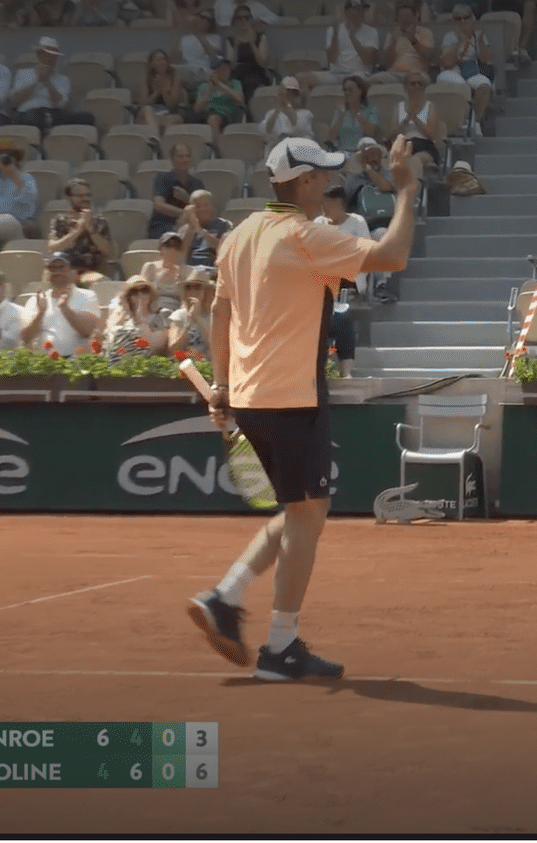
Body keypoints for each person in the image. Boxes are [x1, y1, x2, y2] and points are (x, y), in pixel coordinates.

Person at [185, 136, 418, 680]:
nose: (331, 185)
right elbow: (394, 255)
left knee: (300, 511)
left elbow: (220, 315)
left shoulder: (238, 237)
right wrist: (407, 188)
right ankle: (279, 646)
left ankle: (227, 598)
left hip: (250, 398)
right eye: (324, 176)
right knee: (308, 516)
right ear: (305, 182)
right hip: (291, 397)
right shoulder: (306, 236)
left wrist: (221, 383)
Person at [314, 185, 369, 377]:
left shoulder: (357, 223)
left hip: (349, 282)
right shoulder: (318, 223)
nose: (325, 209)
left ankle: (346, 372)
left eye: (329, 205)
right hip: (321, 284)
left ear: (340, 205)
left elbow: (365, 254)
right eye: (323, 205)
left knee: (342, 318)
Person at [20, 251, 101, 356]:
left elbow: (87, 331)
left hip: (76, 362)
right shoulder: (36, 300)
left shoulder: (88, 296)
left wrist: (65, 308)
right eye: (52, 268)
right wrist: (40, 314)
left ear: (73, 272)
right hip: (44, 362)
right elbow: (25, 338)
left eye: (62, 267)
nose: (57, 272)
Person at [10, 37, 95, 131]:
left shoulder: (63, 79)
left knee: (87, 117)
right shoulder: (23, 73)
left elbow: (60, 104)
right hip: (28, 112)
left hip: (53, 113)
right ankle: (49, 124)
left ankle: (48, 123)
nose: (52, 59)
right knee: (33, 117)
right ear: (39, 55)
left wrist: (47, 82)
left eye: (54, 56)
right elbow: (15, 101)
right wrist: (37, 81)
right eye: (48, 56)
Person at [298, 0, 377, 95]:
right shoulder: (333, 30)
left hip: (358, 74)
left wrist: (352, 37)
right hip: (335, 74)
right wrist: (335, 35)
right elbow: (331, 59)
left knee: (351, 84)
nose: (361, 12)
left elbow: (368, 60)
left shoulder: (371, 31)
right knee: (301, 77)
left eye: (363, 9)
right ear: (346, 12)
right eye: (357, 9)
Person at [436, 5, 493, 136]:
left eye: (465, 18)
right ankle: (463, 122)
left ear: (472, 18)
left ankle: (476, 122)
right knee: (458, 85)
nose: (462, 22)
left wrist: (479, 41)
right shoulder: (449, 36)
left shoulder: (479, 35)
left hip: (472, 71)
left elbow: (486, 59)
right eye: (458, 19)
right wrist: (460, 42)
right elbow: (447, 63)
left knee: (484, 84)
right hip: (453, 71)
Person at [47, 177, 114, 284]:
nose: (85, 198)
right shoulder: (60, 220)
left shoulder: (100, 222)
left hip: (89, 271)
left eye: (87, 195)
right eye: (80, 196)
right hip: (63, 270)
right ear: (69, 198)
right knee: (47, 275)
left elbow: (107, 251)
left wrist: (90, 229)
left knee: (100, 281)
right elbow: (53, 248)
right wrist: (77, 231)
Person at [146, 142, 204, 239]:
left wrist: (187, 199)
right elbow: (158, 205)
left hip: (189, 227)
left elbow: (203, 210)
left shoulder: (197, 183)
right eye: (180, 156)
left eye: (187, 156)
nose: (185, 159)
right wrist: (185, 213)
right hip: (162, 227)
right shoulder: (163, 179)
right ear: (172, 159)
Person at [390, 71, 441, 177]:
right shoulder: (398, 107)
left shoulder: (430, 106)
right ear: (406, 87)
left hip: (424, 146)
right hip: (403, 144)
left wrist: (416, 119)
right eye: (413, 84)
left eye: (420, 84)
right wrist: (406, 120)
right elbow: (392, 134)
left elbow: (431, 135)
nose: (417, 86)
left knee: (414, 160)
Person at [103, 275, 168, 358]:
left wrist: (139, 317)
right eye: (134, 292)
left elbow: (157, 347)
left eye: (144, 290)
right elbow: (109, 341)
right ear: (128, 296)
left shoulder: (162, 315)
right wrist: (124, 313)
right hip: (118, 361)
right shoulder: (119, 316)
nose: (140, 294)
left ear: (151, 294)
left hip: (146, 362)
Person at [189, 56, 245, 144]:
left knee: (213, 119)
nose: (225, 72)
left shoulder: (234, 83)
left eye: (226, 68)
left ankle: (218, 149)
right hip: (205, 114)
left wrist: (220, 84)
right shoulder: (204, 87)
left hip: (224, 115)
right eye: (221, 69)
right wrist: (210, 89)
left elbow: (240, 99)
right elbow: (197, 109)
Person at [141, 229, 196, 314]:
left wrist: (181, 285)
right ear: (160, 250)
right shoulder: (150, 267)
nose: (172, 250)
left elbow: (190, 301)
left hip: (177, 311)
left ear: (181, 252)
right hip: (152, 309)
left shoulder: (188, 271)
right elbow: (140, 294)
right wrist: (157, 284)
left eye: (176, 247)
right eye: (168, 246)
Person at [224, 2, 271, 99]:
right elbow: (231, 66)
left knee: (251, 84)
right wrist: (236, 47)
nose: (243, 21)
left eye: (247, 17)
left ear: (251, 20)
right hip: (237, 72)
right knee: (234, 85)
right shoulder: (230, 40)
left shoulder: (260, 37)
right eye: (239, 18)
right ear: (235, 21)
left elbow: (263, 62)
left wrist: (252, 44)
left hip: (256, 71)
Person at [166, 266, 212, 358]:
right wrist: (189, 321)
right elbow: (173, 349)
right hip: (183, 364)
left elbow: (217, 346)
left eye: (197, 287)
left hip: (207, 365)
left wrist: (198, 318)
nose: (192, 291)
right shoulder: (178, 315)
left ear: (206, 292)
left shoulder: (214, 315)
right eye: (188, 287)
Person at [176, 189, 231, 268]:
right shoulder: (185, 228)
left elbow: (225, 249)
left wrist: (200, 231)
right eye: (197, 206)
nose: (202, 209)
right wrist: (191, 226)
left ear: (213, 207)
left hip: (213, 268)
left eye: (206, 205)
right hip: (189, 269)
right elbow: (181, 255)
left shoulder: (224, 224)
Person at [138, 48, 187, 134]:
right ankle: (155, 137)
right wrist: (156, 92)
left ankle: (160, 140)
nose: (163, 62)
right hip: (152, 114)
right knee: (147, 109)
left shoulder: (175, 76)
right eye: (159, 60)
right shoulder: (146, 78)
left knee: (169, 120)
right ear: (152, 64)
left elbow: (172, 104)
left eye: (164, 59)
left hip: (170, 113)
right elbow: (143, 103)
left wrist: (163, 89)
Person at [257, 75, 313, 149]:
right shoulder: (272, 113)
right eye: (282, 94)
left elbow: (297, 127)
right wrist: (277, 111)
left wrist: (288, 106)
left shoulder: (305, 113)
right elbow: (265, 131)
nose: (287, 97)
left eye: (291, 94)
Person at [324, 75, 377, 154]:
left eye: (350, 89)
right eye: (345, 90)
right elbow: (331, 137)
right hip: (341, 153)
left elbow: (372, 132)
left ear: (360, 91)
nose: (347, 93)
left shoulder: (371, 109)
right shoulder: (339, 111)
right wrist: (340, 118)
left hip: (362, 153)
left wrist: (358, 115)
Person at [176, 8, 224, 88]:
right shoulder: (185, 38)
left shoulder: (216, 38)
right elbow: (172, 58)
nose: (205, 21)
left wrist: (196, 32)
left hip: (204, 71)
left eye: (208, 20)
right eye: (202, 17)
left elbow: (212, 55)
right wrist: (181, 31)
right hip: (186, 71)